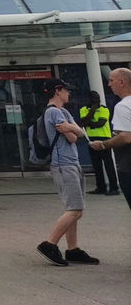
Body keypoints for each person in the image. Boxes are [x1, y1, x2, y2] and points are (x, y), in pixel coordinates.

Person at [35, 79, 98, 265]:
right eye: (66, 90)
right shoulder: (54, 112)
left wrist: (73, 128)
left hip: (70, 163)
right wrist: (74, 129)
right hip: (64, 164)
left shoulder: (62, 112)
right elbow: (73, 137)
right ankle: (49, 244)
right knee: (75, 209)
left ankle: (73, 249)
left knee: (73, 208)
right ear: (57, 91)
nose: (69, 93)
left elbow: (78, 133)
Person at [89, 67, 131, 210]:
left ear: (121, 82)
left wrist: (102, 145)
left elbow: (125, 137)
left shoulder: (123, 106)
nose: (109, 84)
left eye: (111, 80)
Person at [79, 90, 118, 196]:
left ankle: (114, 187)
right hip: (91, 139)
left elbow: (100, 123)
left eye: (98, 98)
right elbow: (83, 122)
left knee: (108, 164)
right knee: (96, 165)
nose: (97, 100)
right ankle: (101, 187)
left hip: (104, 139)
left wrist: (89, 121)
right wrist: (92, 110)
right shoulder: (83, 109)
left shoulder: (104, 109)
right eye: (94, 98)